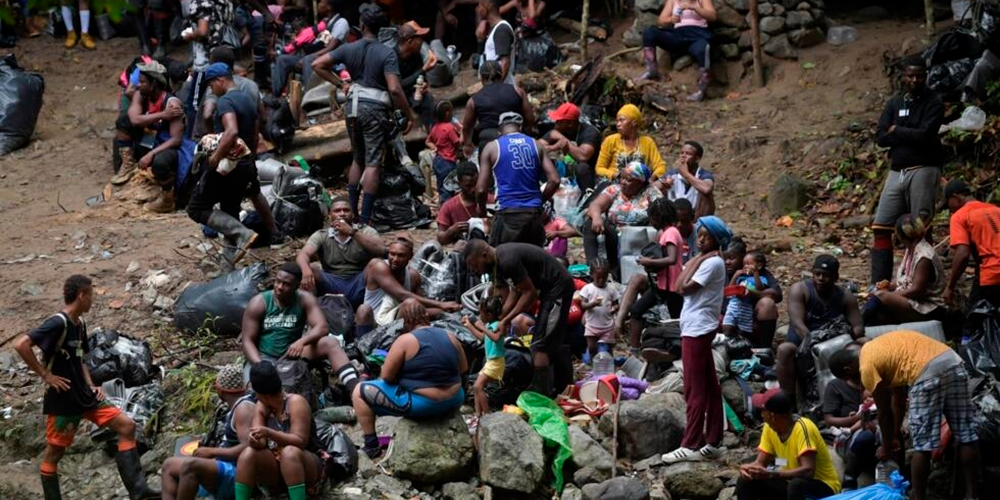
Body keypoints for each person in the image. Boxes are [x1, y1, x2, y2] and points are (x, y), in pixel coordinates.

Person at [13, 275, 159, 500]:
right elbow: (21, 344)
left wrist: (92, 384)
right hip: (63, 399)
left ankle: (138, 491)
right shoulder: (57, 323)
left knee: (127, 426)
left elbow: (80, 358)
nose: (92, 301)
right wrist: (46, 376)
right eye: (90, 296)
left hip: (86, 394)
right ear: (81, 296)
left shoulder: (79, 324)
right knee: (54, 453)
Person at [314, 3, 416, 226]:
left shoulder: (349, 48)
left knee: (357, 158)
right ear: (381, 28)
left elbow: (318, 64)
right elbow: (395, 89)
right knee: (372, 163)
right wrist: (408, 114)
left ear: (361, 24)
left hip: (352, 106)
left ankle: (351, 214)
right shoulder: (386, 53)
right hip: (375, 109)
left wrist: (341, 84)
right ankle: (365, 219)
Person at [849, 331, 980, 500]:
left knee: (922, 446)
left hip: (926, 374)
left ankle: (918, 497)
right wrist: (895, 434)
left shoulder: (866, 366)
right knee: (966, 434)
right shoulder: (885, 347)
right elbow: (899, 401)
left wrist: (886, 448)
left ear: (848, 369)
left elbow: (885, 414)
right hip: (953, 362)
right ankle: (972, 495)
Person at [353, 299, 469, 458]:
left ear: (405, 322)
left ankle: (371, 445)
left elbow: (386, 377)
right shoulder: (450, 336)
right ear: (426, 316)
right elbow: (463, 368)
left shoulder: (405, 340)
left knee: (359, 392)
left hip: (423, 404)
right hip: (454, 398)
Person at [464, 239, 576, 397]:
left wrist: (506, 319)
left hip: (557, 288)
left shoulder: (507, 260)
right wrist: (502, 316)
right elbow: (517, 290)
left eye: (475, 265)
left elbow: (529, 294)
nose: (476, 270)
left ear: (484, 255)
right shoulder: (498, 263)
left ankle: (541, 392)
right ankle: (559, 384)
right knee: (547, 338)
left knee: (540, 344)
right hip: (546, 291)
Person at [662, 215, 731, 464]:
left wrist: (698, 260)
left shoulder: (713, 264)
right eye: (699, 235)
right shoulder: (706, 260)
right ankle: (713, 441)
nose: (700, 239)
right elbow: (681, 281)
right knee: (710, 384)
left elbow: (681, 286)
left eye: (706, 237)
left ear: (717, 240)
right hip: (696, 326)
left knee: (694, 387)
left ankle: (691, 443)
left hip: (698, 329)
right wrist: (698, 257)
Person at [871, 57, 945, 285]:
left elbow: (926, 135)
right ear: (903, 77)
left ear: (926, 76)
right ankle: (879, 284)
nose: (914, 80)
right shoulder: (895, 103)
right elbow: (881, 137)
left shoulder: (934, 102)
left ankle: (923, 283)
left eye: (919, 75)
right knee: (881, 225)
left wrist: (897, 130)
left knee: (920, 227)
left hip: (924, 168)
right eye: (910, 75)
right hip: (897, 170)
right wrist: (904, 132)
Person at [242, 263, 361, 393]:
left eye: (286, 284)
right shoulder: (259, 302)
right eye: (278, 282)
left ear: (297, 286)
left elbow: (322, 327)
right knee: (253, 392)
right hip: (265, 357)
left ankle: (355, 390)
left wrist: (302, 342)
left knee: (330, 342)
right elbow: (247, 340)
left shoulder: (304, 299)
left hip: (293, 354)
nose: (280, 287)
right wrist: (260, 365)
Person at [186, 63, 261, 266]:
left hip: (228, 164)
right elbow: (254, 135)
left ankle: (242, 233)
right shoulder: (248, 99)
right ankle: (228, 268)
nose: (212, 90)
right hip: (245, 163)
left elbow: (231, 131)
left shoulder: (226, 101)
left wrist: (215, 157)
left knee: (196, 207)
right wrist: (250, 160)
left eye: (212, 85)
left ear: (220, 80)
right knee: (230, 211)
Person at [161, 365, 257, 500]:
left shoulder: (243, 409)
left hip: (237, 473)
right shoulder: (234, 406)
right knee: (169, 466)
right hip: (224, 464)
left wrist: (212, 452)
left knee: (191, 466)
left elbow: (247, 448)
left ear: (222, 390)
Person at [776, 255, 864, 401]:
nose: (821, 279)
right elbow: (798, 324)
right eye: (817, 274)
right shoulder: (800, 290)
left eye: (826, 275)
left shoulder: (845, 296)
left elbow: (858, 327)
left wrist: (846, 337)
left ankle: (862, 393)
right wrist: (814, 343)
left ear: (835, 277)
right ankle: (788, 400)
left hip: (834, 345)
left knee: (865, 342)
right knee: (784, 349)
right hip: (803, 344)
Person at [234, 362, 324, 500]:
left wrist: (270, 433)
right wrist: (254, 439)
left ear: (260, 394)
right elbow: (261, 442)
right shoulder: (261, 406)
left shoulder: (295, 402)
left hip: (305, 465)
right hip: (277, 467)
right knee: (248, 454)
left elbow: (300, 441)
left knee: (289, 452)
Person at [109, 61, 187, 214]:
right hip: (150, 139)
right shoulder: (142, 94)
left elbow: (176, 139)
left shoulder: (172, 103)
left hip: (167, 145)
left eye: (143, 82)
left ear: (154, 84)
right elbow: (134, 119)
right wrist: (162, 115)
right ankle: (127, 166)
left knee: (160, 162)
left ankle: (167, 199)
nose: (138, 85)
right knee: (123, 121)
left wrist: (152, 154)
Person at [736, 391, 841, 500]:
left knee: (796, 485)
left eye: (763, 411)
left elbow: (808, 471)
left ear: (772, 415)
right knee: (745, 481)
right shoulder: (769, 428)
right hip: (790, 483)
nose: (761, 415)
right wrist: (751, 469)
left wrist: (772, 474)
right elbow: (761, 462)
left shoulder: (803, 428)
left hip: (822, 486)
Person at [477, 111, 560, 247]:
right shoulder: (536, 144)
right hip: (533, 214)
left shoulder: (492, 147)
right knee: (532, 260)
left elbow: (481, 190)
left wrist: (481, 209)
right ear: (520, 127)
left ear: (499, 129)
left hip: (507, 212)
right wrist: (539, 200)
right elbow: (555, 180)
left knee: (503, 260)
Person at [356, 236, 462, 334]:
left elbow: (420, 306)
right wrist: (441, 304)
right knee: (363, 309)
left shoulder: (412, 275)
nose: (395, 259)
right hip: (374, 321)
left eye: (401, 255)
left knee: (435, 311)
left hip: (396, 322)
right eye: (392, 254)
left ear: (410, 256)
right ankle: (361, 346)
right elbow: (401, 294)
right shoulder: (377, 266)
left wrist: (445, 309)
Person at [618, 197, 684, 349]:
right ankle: (635, 349)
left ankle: (678, 351)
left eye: (652, 218)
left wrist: (650, 262)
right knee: (636, 310)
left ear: (659, 217)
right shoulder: (665, 232)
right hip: (662, 285)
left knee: (677, 321)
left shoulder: (671, 233)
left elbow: (672, 259)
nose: (651, 222)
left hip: (672, 286)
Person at [298, 197, 386, 309]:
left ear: (353, 214)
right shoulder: (321, 235)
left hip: (359, 281)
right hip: (331, 282)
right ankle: (310, 315)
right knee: (309, 269)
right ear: (330, 215)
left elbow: (382, 250)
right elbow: (303, 254)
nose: (342, 214)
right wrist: (306, 271)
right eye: (337, 211)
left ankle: (376, 313)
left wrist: (351, 232)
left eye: (346, 210)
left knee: (376, 264)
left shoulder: (366, 231)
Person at [863, 213, 946, 326]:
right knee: (880, 309)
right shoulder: (911, 249)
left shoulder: (924, 256)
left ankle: (857, 322)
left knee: (881, 296)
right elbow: (907, 281)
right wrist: (891, 286)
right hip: (914, 301)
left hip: (928, 307)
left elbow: (917, 290)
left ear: (900, 236)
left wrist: (890, 295)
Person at [584, 161, 664, 272]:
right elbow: (595, 205)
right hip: (614, 235)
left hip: (638, 237)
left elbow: (663, 212)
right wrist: (597, 217)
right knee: (590, 222)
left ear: (640, 182)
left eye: (628, 180)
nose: (623, 182)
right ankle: (592, 268)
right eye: (622, 178)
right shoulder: (614, 189)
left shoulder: (651, 193)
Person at [640, 0, 717, 101]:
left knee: (703, 48)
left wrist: (694, 8)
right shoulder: (673, 0)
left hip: (697, 35)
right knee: (649, 32)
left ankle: (701, 90)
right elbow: (661, 20)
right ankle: (652, 71)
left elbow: (713, 16)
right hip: (678, 35)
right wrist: (671, 20)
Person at [825, 348, 878, 491]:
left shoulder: (875, 379)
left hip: (879, 431)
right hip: (849, 438)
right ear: (849, 369)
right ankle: (849, 480)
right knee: (866, 435)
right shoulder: (835, 386)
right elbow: (829, 420)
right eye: (860, 360)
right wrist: (856, 418)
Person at [944, 179, 1000, 310]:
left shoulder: (960, 216)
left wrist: (950, 286)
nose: (950, 209)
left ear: (955, 197)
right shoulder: (996, 210)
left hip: (992, 274)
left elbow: (962, 254)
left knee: (973, 322)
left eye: (948, 204)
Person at [272, 0, 349, 96]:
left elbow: (331, 48)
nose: (319, 4)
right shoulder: (324, 23)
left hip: (332, 61)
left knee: (308, 59)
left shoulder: (341, 22)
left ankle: (309, 96)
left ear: (329, 7)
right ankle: (275, 96)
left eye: (322, 2)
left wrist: (308, 56)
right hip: (316, 57)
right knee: (282, 60)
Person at [462, 60, 533, 156]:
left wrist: (467, 145)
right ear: (501, 75)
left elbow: (467, 127)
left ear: (482, 78)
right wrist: (526, 136)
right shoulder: (517, 91)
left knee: (485, 168)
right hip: (515, 139)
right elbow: (529, 119)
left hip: (488, 142)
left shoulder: (473, 100)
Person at [538, 102, 603, 191]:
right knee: (541, 162)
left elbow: (583, 156)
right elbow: (534, 148)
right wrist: (553, 147)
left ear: (570, 124)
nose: (556, 123)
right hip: (564, 169)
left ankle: (587, 196)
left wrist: (565, 142)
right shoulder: (557, 131)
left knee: (582, 167)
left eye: (560, 121)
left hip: (588, 173)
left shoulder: (590, 133)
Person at [594, 104, 667, 182]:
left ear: (634, 123)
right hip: (615, 183)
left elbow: (660, 166)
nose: (618, 124)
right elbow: (599, 168)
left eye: (622, 120)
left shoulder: (647, 142)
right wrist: (616, 175)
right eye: (617, 121)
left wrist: (652, 178)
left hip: (639, 185)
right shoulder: (611, 140)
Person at [462, 294, 506, 416]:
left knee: (477, 386)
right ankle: (477, 414)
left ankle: (486, 414)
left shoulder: (497, 325)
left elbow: (496, 338)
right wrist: (470, 326)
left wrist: (482, 327)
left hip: (496, 362)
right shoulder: (488, 326)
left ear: (489, 315)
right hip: (490, 362)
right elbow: (483, 338)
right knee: (477, 387)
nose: (479, 316)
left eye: (481, 314)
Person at [724, 252, 780, 348]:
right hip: (731, 307)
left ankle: (760, 347)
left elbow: (775, 294)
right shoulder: (739, 276)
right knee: (727, 325)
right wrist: (736, 275)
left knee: (745, 328)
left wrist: (752, 290)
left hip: (747, 307)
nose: (727, 262)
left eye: (732, 258)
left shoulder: (761, 276)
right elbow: (729, 289)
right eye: (744, 264)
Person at [579, 258, 622, 361]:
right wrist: (592, 304)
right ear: (591, 275)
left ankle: (610, 364)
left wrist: (614, 308)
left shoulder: (611, 289)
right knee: (591, 347)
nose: (601, 280)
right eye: (598, 277)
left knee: (607, 348)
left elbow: (617, 304)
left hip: (607, 326)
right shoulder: (587, 288)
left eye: (604, 277)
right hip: (592, 325)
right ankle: (593, 364)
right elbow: (583, 305)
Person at [436, 162, 487, 246]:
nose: (473, 189)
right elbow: (441, 239)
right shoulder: (449, 206)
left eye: (476, 184)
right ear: (459, 184)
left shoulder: (490, 200)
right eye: (468, 186)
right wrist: (452, 230)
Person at [661, 141, 715, 218]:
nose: (683, 156)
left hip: (696, 215)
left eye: (688, 154)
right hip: (675, 213)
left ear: (697, 159)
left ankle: (697, 226)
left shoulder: (704, 174)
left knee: (705, 193)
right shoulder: (673, 173)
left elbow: (707, 189)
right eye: (682, 153)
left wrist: (686, 174)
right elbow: (654, 187)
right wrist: (664, 184)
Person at [183, 0, 237, 72]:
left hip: (207, 55)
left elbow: (202, 31)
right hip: (226, 49)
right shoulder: (225, 1)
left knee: (208, 79)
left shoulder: (200, 2)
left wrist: (189, 36)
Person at [426, 101, 463, 202]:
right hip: (448, 161)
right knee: (450, 187)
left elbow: (428, 141)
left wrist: (435, 147)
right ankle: (448, 209)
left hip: (438, 160)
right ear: (447, 113)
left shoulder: (435, 127)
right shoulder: (449, 128)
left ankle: (443, 207)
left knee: (441, 187)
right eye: (451, 112)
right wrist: (462, 132)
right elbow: (457, 143)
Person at [478, 0, 516, 85]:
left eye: (479, 5)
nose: (477, 9)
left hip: (503, 87)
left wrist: (495, 88)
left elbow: (505, 63)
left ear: (487, 6)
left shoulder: (501, 30)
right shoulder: (493, 29)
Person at [674, 198, 698, 263]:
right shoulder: (665, 236)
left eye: (684, 221)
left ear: (692, 218)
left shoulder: (700, 235)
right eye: (676, 221)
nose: (679, 225)